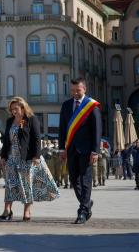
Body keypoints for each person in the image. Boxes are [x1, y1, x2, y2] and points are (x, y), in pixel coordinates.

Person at [0, 97, 59, 222]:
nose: (14, 111)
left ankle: (27, 211)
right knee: (10, 185)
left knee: (26, 185)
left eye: (16, 108)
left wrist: (36, 156)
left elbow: (37, 139)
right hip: (12, 158)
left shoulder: (31, 119)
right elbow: (6, 141)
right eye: (12, 109)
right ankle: (7, 210)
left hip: (26, 158)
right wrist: (3, 156)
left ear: (23, 107)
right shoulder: (10, 121)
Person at [59, 78, 102, 224]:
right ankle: (87, 203)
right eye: (72, 90)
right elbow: (62, 129)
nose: (75, 93)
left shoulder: (91, 106)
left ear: (84, 89)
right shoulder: (65, 105)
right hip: (71, 149)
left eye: (78, 90)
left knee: (85, 180)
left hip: (87, 150)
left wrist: (95, 151)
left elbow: (97, 130)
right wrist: (61, 149)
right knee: (73, 180)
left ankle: (82, 211)